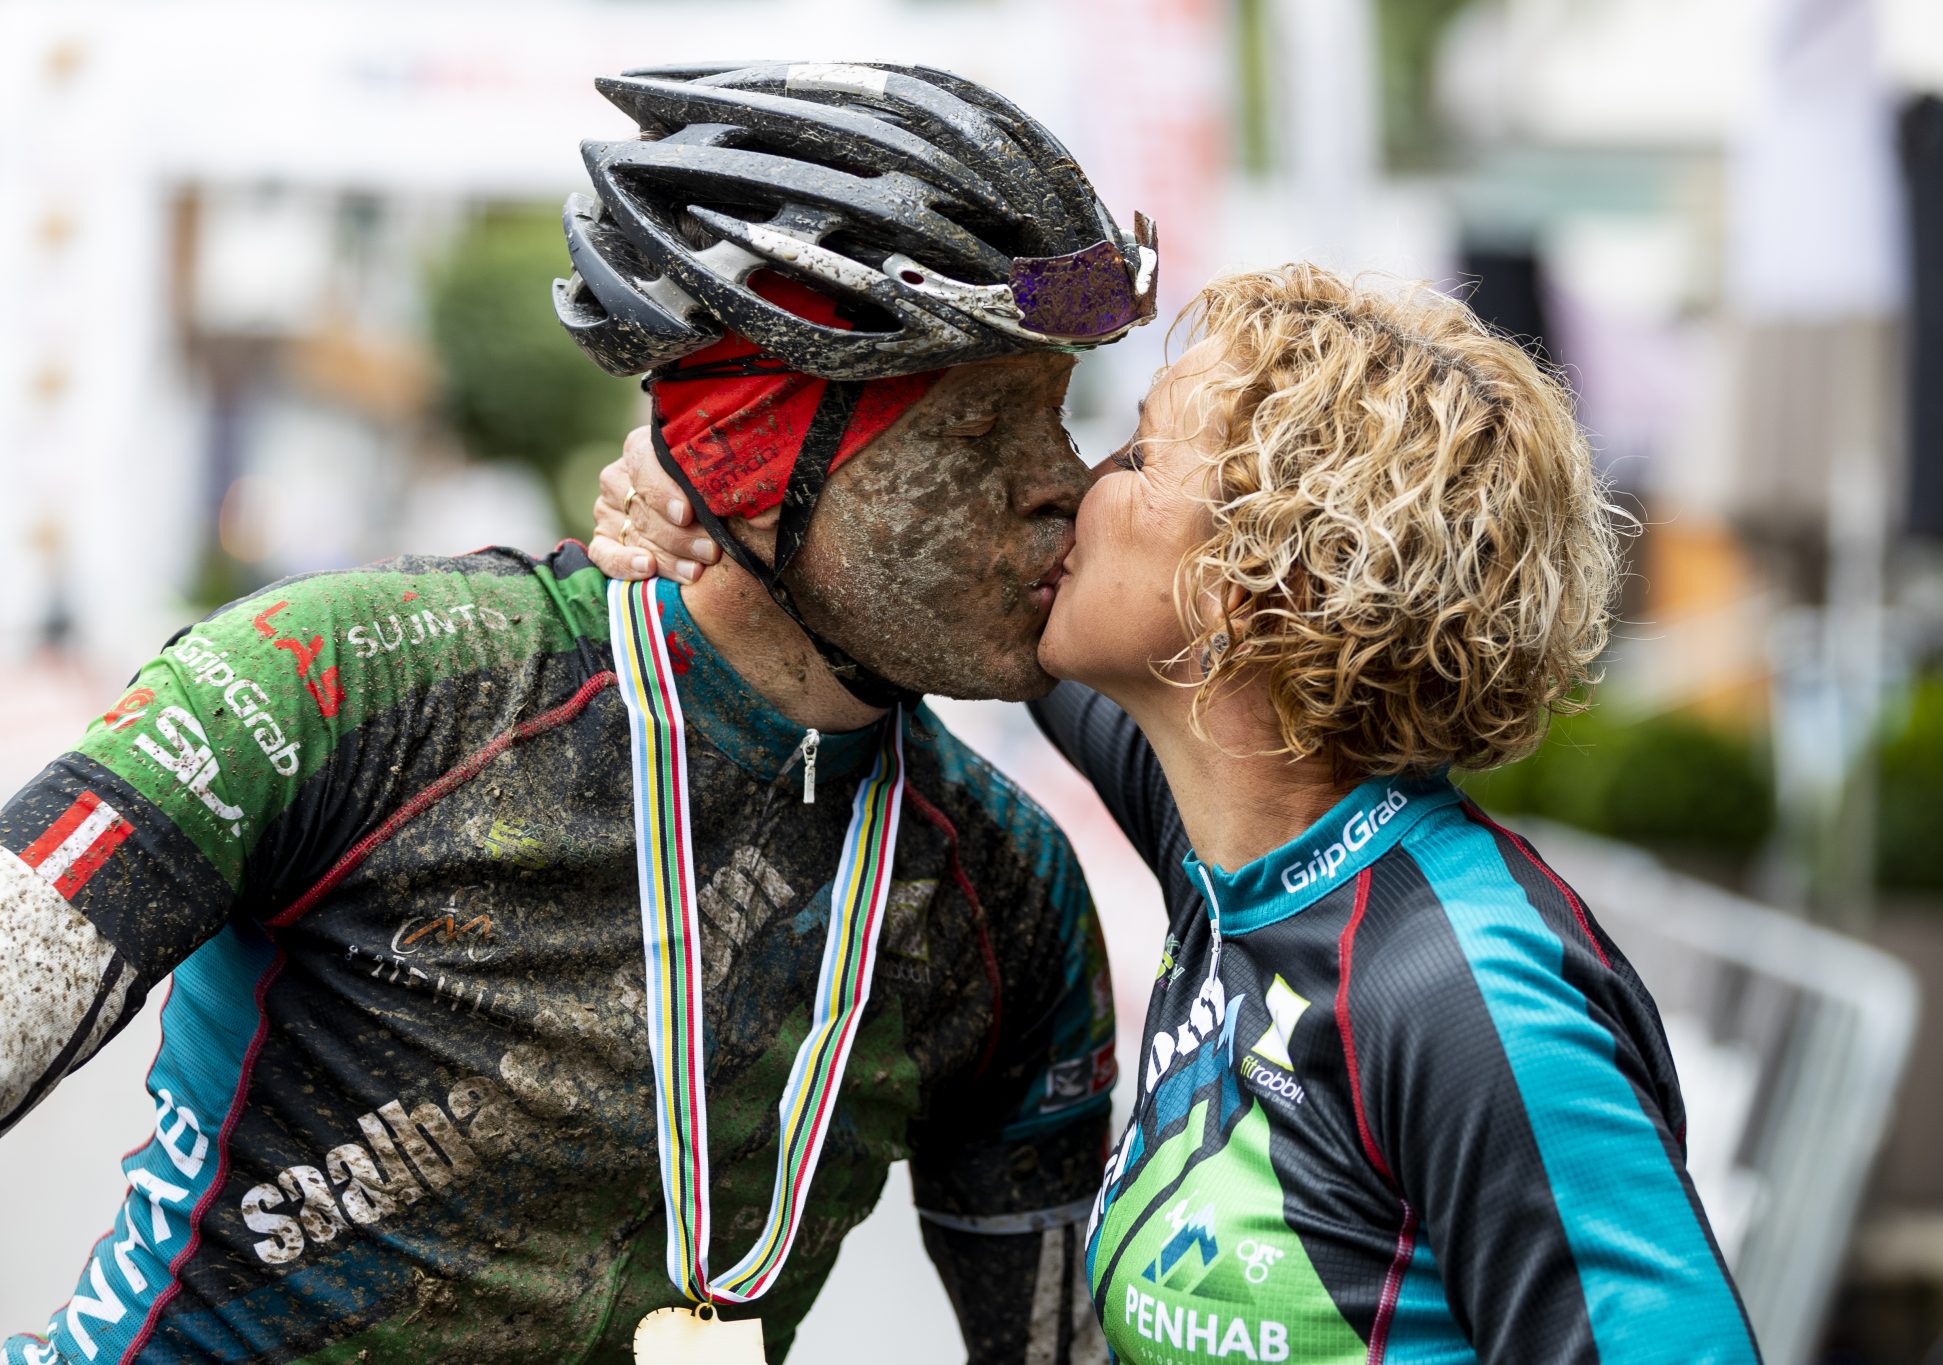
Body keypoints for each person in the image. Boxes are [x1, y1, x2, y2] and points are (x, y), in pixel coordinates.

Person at [0, 62, 1156, 1365]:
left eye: (1057, 420)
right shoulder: (337, 682)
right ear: (755, 453)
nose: (1064, 485)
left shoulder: (1008, 890)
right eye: (983, 431)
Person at [594, 263, 1760, 1362]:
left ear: (1264, 581)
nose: (1076, 485)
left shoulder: (1466, 995)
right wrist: (722, 479)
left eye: (1141, 455)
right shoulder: (1230, 837)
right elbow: (922, 607)